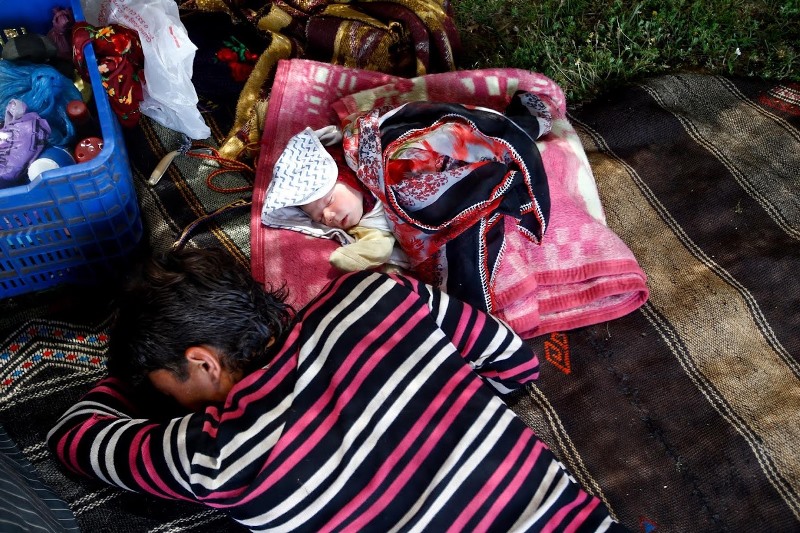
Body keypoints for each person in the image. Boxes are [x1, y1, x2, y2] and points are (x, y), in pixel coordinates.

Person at [48, 247, 625, 532]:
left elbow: (73, 436)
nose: (173, 409)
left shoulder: (215, 456)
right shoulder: (374, 297)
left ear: (201, 362)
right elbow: (515, 365)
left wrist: (131, 378)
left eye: (167, 392)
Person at [261, 126, 405, 272]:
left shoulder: (377, 162)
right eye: (320, 219)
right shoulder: (367, 226)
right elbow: (378, 246)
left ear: (349, 178)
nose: (328, 217)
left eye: (329, 201)